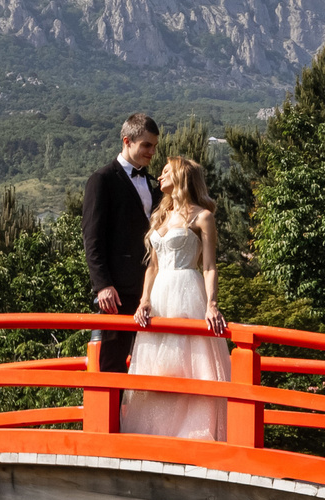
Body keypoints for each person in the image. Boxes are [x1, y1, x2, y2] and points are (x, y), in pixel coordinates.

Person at [121, 156, 230, 440]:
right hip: (158, 295)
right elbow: (153, 266)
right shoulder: (161, 216)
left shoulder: (202, 217)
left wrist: (211, 304)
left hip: (186, 289)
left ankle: (191, 434)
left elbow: (209, 266)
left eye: (166, 171)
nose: (159, 176)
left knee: (187, 364)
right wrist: (144, 300)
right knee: (157, 368)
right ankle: (155, 433)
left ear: (181, 177)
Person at [83, 112, 163, 373]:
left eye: (154, 146)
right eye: (146, 145)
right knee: (112, 362)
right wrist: (103, 285)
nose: (152, 152)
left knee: (150, 362)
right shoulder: (102, 180)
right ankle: (110, 416)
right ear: (127, 141)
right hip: (116, 292)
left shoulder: (153, 183)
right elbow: (92, 238)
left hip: (153, 290)